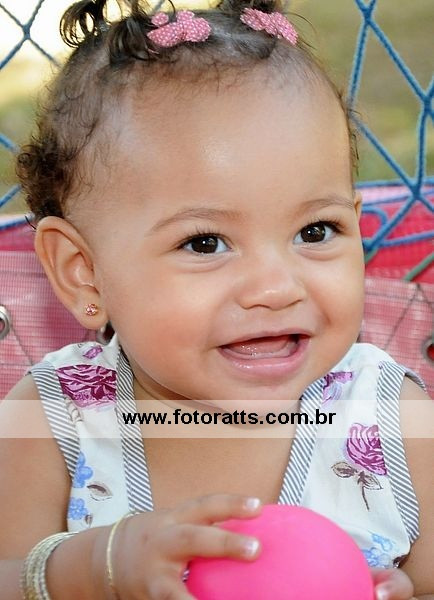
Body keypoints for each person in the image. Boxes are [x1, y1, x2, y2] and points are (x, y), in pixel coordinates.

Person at [1, 0, 432, 598]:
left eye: (315, 231)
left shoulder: (393, 417)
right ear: (84, 273)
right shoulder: (54, 422)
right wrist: (96, 568)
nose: (277, 287)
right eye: (205, 243)